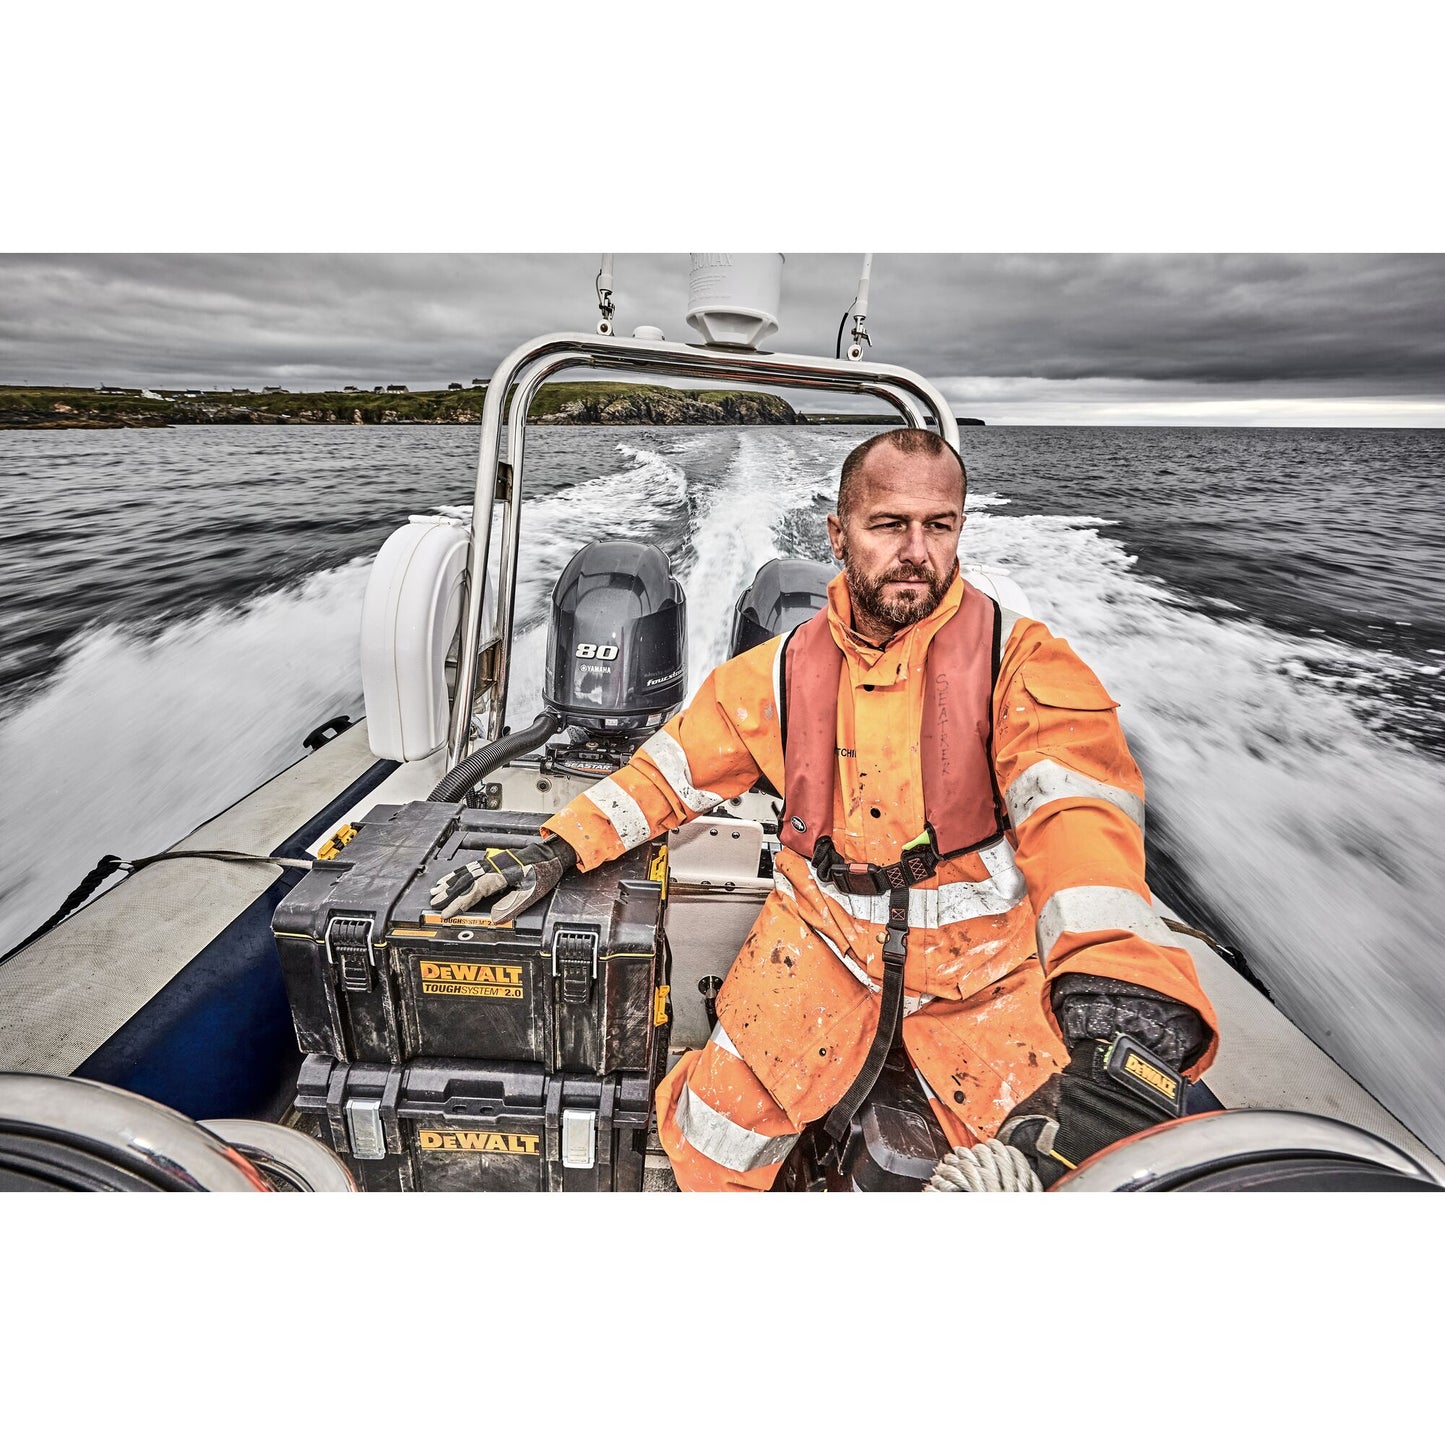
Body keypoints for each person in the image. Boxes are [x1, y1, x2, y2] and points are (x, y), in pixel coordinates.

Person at [434, 428, 1219, 1190]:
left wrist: (1123, 1016)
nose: (916, 550)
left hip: (985, 979)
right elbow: (666, 775)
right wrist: (555, 848)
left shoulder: (1024, 666)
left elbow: (1082, 830)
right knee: (712, 1134)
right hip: (816, 949)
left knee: (1078, 1170)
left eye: (938, 525)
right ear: (837, 535)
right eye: (888, 524)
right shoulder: (775, 673)